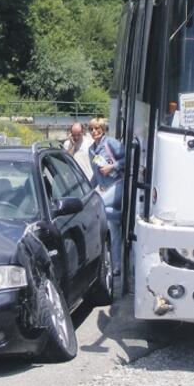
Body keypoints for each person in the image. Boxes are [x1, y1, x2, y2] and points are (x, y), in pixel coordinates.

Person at [86, 117, 126, 277]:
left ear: (103, 130)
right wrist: (86, 190)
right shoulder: (91, 150)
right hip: (105, 188)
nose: (94, 132)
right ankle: (117, 267)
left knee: (98, 204)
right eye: (91, 129)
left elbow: (128, 156)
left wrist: (113, 166)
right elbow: (96, 176)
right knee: (112, 225)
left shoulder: (110, 143)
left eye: (97, 129)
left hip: (118, 185)